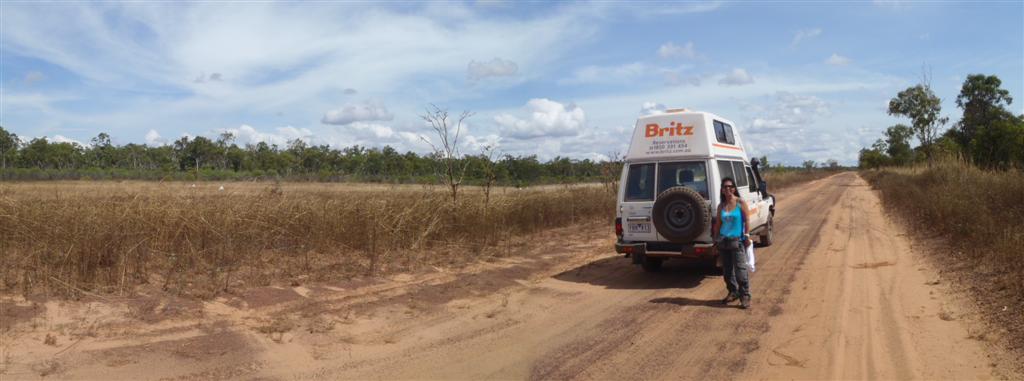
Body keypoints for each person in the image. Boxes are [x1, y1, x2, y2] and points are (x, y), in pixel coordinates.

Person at [711, 177, 752, 309]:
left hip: (737, 241)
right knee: (727, 272)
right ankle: (733, 292)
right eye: (725, 187)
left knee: (740, 271)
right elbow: (718, 224)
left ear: (734, 188)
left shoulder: (740, 203)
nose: (728, 189)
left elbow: (747, 220)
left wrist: (746, 235)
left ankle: (744, 296)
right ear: (722, 190)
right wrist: (715, 240)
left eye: (730, 187)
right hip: (723, 241)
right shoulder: (721, 206)